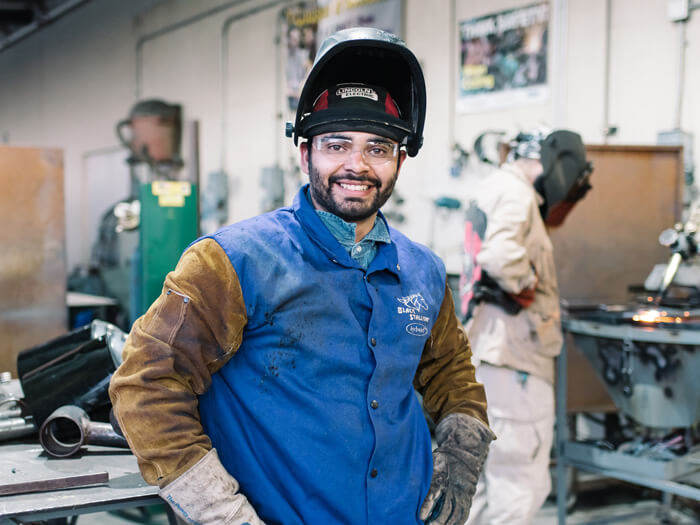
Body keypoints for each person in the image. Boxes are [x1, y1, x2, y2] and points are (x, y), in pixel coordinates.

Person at [109, 28, 493, 525]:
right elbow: (146, 383)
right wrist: (220, 513)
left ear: (400, 159)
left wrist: (462, 455)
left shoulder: (423, 270)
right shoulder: (233, 261)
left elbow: (452, 373)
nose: (357, 165)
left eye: (378, 148)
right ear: (304, 152)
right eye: (336, 145)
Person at [461, 129, 593, 525]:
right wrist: (528, 285)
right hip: (516, 360)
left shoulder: (490, 188)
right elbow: (501, 257)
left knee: (483, 483)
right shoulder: (517, 194)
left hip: (488, 354)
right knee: (520, 484)